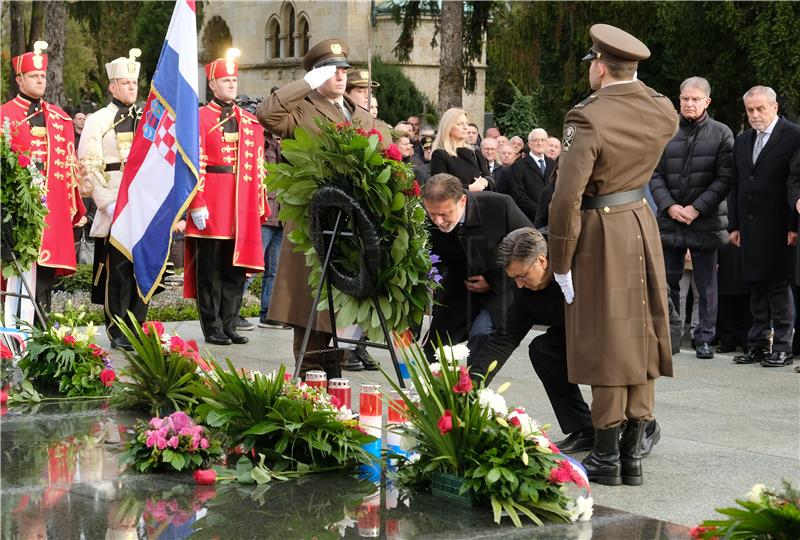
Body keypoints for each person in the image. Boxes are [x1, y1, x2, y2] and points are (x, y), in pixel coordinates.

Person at [548, 24, 678, 486]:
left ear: (600, 67)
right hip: (642, 222)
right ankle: (633, 453)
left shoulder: (587, 117)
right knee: (639, 335)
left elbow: (566, 198)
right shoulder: (663, 109)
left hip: (601, 231)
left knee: (609, 340)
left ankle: (607, 456)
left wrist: (559, 261)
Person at [257, 38, 391, 378]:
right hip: (312, 221)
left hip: (351, 222)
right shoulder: (301, 107)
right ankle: (312, 373)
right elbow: (266, 114)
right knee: (311, 303)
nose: (341, 76)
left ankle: (336, 371)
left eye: (344, 70)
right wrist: (304, 85)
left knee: (342, 298)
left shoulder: (356, 111)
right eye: (332, 71)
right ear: (317, 75)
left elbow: (386, 143)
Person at [184, 49, 268, 346]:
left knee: (235, 270)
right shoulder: (198, 118)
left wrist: (258, 204)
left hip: (239, 204)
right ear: (212, 84)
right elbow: (191, 163)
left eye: (234, 80)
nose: (232, 85)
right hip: (212, 200)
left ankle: (231, 323)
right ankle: (212, 325)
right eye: (225, 80)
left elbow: (258, 166)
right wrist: (196, 202)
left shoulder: (249, 121)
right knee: (210, 271)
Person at [649, 76, 734, 360]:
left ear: (707, 101)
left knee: (706, 285)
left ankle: (704, 338)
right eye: (685, 98)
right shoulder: (664, 131)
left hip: (706, 220)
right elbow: (655, 174)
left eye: (695, 99)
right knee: (668, 281)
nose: (689, 104)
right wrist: (670, 206)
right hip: (670, 219)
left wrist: (697, 208)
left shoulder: (722, 133)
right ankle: (670, 335)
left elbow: (725, 178)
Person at [1, 41, 85, 323]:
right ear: (19, 80)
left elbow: (70, 167)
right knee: (13, 274)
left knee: (46, 274)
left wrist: (75, 209)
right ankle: (13, 331)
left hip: (51, 211)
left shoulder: (60, 117)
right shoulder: (4, 115)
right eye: (34, 76)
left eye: (43, 76)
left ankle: (41, 328)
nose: (40, 80)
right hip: (17, 211)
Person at [78, 49, 149, 350]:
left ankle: (138, 326)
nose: (132, 87)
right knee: (117, 270)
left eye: (134, 82)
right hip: (113, 202)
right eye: (125, 82)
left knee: (144, 267)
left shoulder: (147, 119)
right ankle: (118, 329)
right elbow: (88, 162)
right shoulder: (97, 120)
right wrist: (104, 201)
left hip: (143, 204)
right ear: (112, 86)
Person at [421, 173, 531, 364]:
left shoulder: (499, 206)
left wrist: (495, 280)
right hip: (460, 285)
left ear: (462, 201)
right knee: (435, 346)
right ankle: (439, 390)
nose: (438, 221)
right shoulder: (426, 220)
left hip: (504, 286)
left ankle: (471, 388)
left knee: (483, 333)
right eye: (433, 215)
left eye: (445, 214)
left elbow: (530, 245)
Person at [732, 86, 800, 367]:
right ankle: (758, 343)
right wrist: (733, 226)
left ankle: (782, 346)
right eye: (750, 110)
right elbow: (736, 184)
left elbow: (795, 182)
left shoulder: (794, 135)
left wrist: (794, 226)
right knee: (756, 287)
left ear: (775, 106)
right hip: (749, 227)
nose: (755, 114)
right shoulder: (743, 140)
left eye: (761, 108)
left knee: (778, 288)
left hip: (780, 227)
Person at [430, 108, 491, 192]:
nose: (466, 127)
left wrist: (485, 181)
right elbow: (440, 186)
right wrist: (469, 188)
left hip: (480, 201)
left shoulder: (475, 152)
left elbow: (489, 178)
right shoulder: (440, 154)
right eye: (460, 124)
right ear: (448, 127)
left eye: (466, 123)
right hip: (457, 202)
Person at [508, 128, 557, 222]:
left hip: (552, 218)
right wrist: (540, 212)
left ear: (547, 143)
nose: (540, 143)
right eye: (535, 140)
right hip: (528, 219)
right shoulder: (518, 166)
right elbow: (519, 196)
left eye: (543, 140)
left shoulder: (553, 165)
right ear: (529, 144)